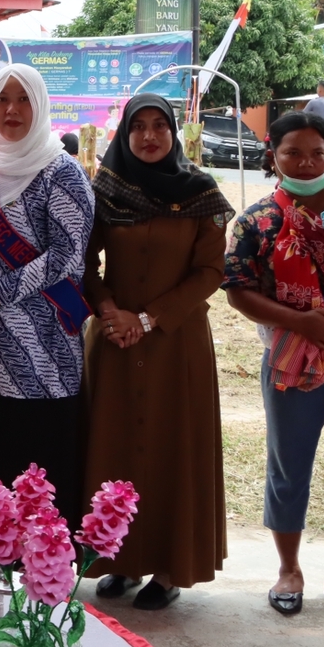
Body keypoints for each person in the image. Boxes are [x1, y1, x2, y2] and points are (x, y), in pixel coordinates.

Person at [224, 111, 324, 625]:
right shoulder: (258, 220)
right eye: (293, 152)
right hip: (291, 356)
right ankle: (289, 570)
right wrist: (300, 322)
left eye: (318, 153)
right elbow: (238, 291)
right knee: (290, 467)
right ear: (274, 157)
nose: (307, 162)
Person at [82, 94, 231, 611]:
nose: (149, 136)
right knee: (114, 448)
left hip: (175, 344)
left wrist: (147, 319)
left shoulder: (201, 193)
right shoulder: (107, 190)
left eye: (159, 126)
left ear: (174, 133)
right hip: (115, 343)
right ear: (124, 135)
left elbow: (210, 272)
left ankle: (168, 568)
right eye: (138, 127)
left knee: (173, 449)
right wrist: (108, 310)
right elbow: (83, 263)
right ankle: (119, 559)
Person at [0, 64, 94, 531]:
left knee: (37, 460)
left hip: (43, 348)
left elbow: (66, 257)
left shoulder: (63, 173)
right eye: (3, 100)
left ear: (41, 104)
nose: (12, 110)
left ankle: (42, 569)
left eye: (24, 99)